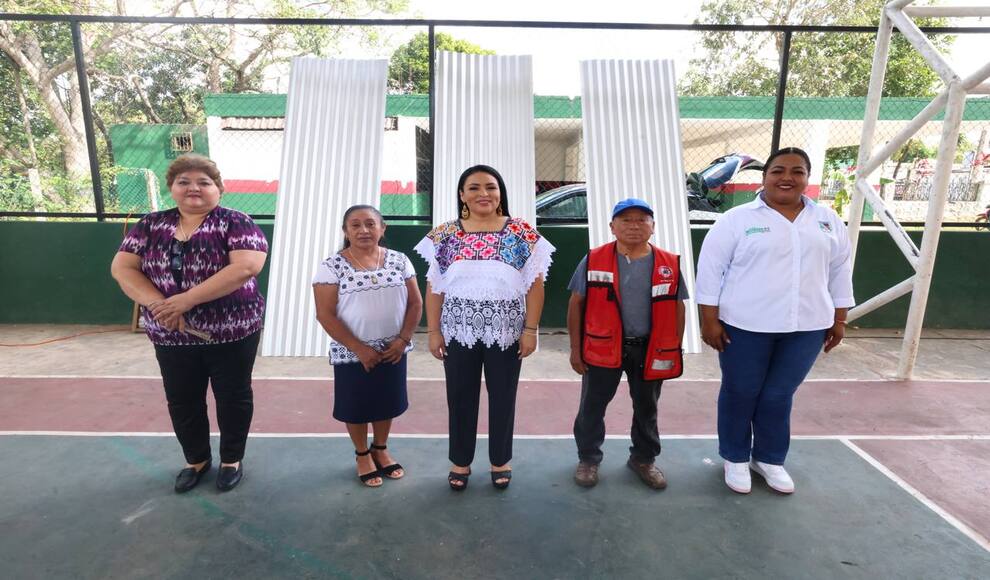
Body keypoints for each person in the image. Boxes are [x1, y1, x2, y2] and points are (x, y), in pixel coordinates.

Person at [695, 147, 854, 495]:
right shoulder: (736, 220)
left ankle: (768, 459)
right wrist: (709, 320)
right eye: (778, 170)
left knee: (779, 394)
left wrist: (839, 318)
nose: (787, 177)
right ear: (765, 177)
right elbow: (709, 272)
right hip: (745, 325)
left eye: (797, 171)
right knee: (741, 391)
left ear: (807, 178)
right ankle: (735, 457)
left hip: (808, 326)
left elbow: (840, 271)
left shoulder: (827, 220)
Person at [110, 154, 268, 493]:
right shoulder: (151, 224)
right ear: (172, 188)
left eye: (203, 182)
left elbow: (246, 267)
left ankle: (231, 459)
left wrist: (186, 300)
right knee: (182, 399)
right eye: (184, 182)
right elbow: (123, 268)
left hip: (232, 331)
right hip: (170, 333)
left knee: (233, 396)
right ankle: (196, 460)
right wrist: (161, 306)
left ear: (219, 189)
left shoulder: (236, 222)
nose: (193, 188)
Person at [415, 165, 555, 491]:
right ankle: (460, 461)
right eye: (474, 187)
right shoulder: (445, 234)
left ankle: (500, 460)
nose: (483, 194)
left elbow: (535, 286)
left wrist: (530, 330)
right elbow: (434, 286)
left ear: (500, 193)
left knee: (503, 396)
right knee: (460, 397)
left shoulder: (520, 232)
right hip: (458, 330)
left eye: (491, 187)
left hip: (506, 332)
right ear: (462, 195)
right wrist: (433, 331)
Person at [567, 198, 688, 490]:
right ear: (612, 226)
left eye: (641, 220)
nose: (634, 226)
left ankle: (643, 459)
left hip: (649, 349)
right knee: (592, 406)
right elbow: (576, 303)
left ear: (653, 226)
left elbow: (678, 307)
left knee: (647, 407)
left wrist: (674, 346)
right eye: (626, 220)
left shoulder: (668, 264)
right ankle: (588, 459)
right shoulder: (593, 259)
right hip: (602, 348)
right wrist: (575, 349)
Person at [313, 205, 423, 487]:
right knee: (357, 406)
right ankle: (362, 454)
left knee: (387, 402)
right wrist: (359, 348)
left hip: (392, 349)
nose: (363, 230)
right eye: (355, 225)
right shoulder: (332, 266)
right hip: (353, 353)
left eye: (371, 224)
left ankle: (380, 449)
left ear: (382, 228)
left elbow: (415, 303)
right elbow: (325, 314)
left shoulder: (399, 261)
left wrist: (402, 340)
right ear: (345, 231)